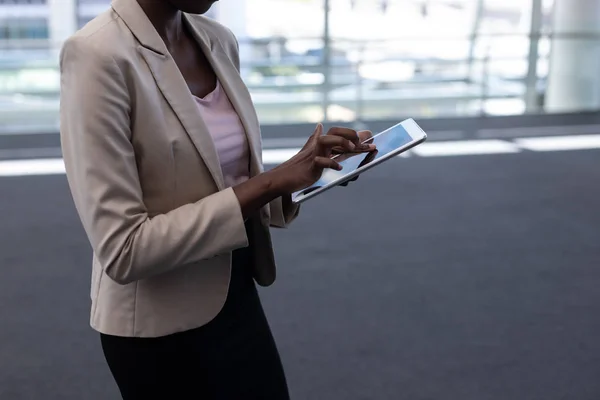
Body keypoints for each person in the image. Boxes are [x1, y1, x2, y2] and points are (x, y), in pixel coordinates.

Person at [59, 0, 374, 399]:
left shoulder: (216, 39)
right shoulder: (96, 54)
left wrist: (305, 169)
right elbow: (123, 249)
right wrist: (269, 183)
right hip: (159, 332)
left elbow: (226, 181)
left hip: (235, 295)